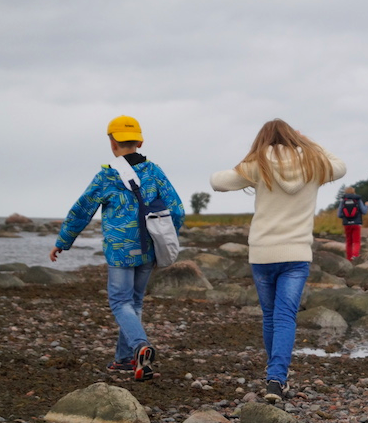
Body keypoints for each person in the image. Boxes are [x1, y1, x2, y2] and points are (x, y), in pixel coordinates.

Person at [210, 118, 346, 403]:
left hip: (262, 253)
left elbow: (217, 183)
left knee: (271, 315)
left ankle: (275, 376)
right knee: (285, 316)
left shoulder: (258, 164)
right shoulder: (313, 163)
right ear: (294, 138)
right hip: (296, 254)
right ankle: (276, 379)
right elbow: (341, 166)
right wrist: (309, 143)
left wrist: (250, 159)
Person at [49, 115, 185, 381]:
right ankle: (124, 360)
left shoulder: (107, 176)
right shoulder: (155, 172)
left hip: (119, 252)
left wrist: (62, 242)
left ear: (112, 144)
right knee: (133, 302)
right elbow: (177, 210)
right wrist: (166, 239)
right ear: (140, 141)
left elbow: (81, 211)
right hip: (148, 249)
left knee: (120, 301)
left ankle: (139, 347)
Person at [337, 186, 368, 261]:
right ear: (354, 192)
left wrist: (345, 217)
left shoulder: (343, 200)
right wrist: (367, 205)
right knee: (356, 241)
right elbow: (364, 211)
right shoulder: (357, 199)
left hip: (346, 224)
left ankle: (349, 259)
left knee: (349, 242)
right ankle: (355, 255)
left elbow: (339, 214)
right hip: (356, 223)